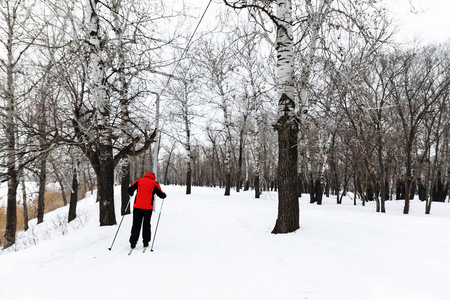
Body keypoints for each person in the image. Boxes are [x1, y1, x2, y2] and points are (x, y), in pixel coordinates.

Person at [128, 172, 166, 249]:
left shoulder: (139, 180)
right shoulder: (155, 183)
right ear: (153, 177)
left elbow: (130, 189)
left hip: (137, 207)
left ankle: (133, 242)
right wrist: (164, 195)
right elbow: (160, 194)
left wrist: (131, 193)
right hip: (148, 208)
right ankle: (145, 242)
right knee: (146, 224)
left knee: (136, 224)